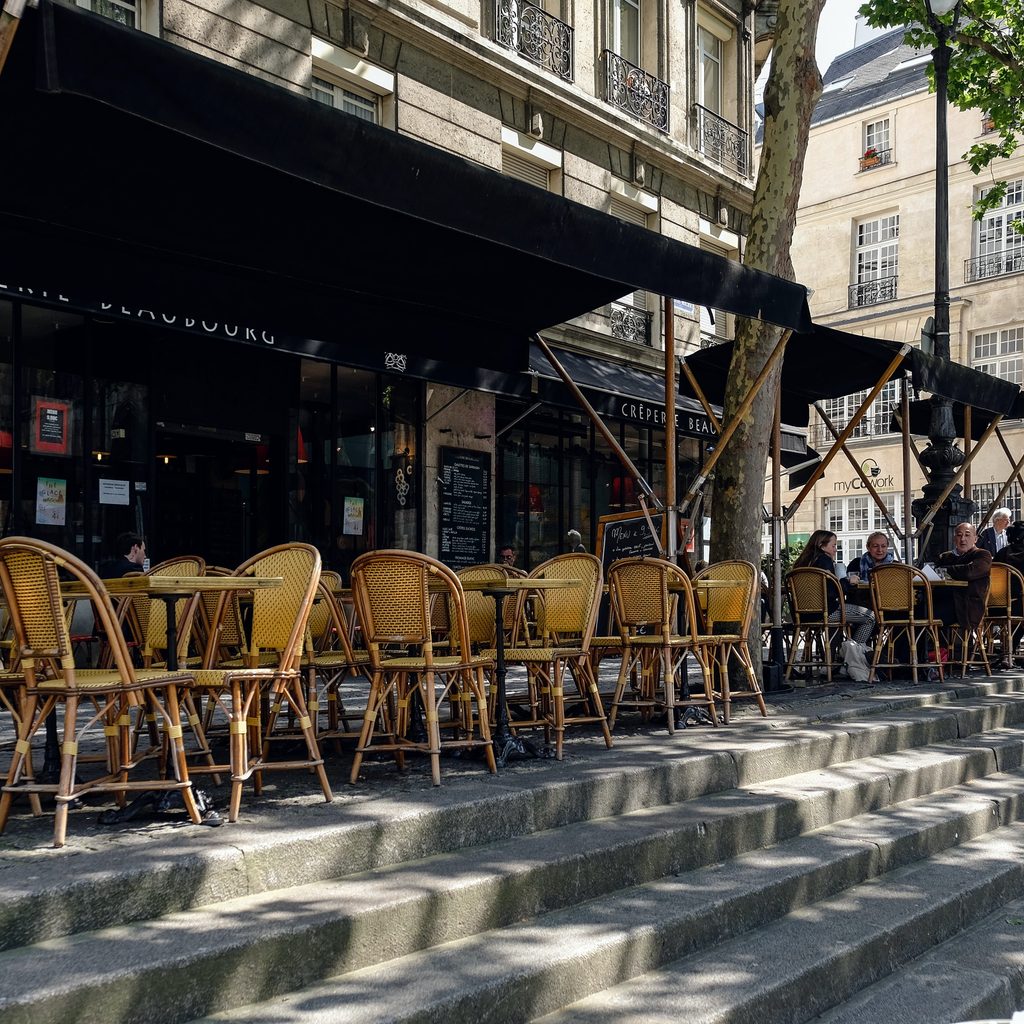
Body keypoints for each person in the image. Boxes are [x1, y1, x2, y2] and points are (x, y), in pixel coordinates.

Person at [790, 529, 874, 645]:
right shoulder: (824, 561)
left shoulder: (801, 562)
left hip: (801, 615)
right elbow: (832, 591)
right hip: (825, 613)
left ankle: (836, 654)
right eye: (833, 545)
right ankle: (853, 651)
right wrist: (849, 582)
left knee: (841, 617)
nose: (836, 549)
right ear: (822, 546)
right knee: (870, 617)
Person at [935, 521, 992, 632]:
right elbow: (934, 572)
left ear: (975, 539)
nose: (962, 539)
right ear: (954, 538)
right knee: (908, 616)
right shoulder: (946, 557)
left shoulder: (982, 555)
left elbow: (969, 572)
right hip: (941, 600)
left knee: (925, 616)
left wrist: (945, 570)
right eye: (959, 535)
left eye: (967, 535)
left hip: (965, 605)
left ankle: (931, 648)